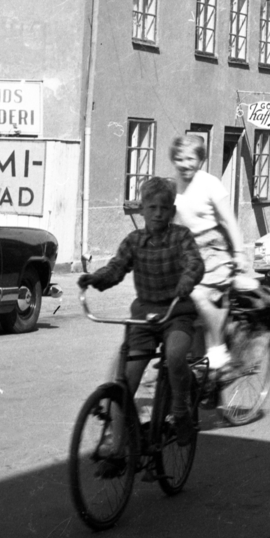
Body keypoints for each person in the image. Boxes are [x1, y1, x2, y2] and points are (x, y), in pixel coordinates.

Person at [79, 176, 203, 449]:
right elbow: (116, 268)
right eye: (152, 208)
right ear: (142, 209)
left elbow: (194, 263)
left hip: (176, 313)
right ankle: (116, 445)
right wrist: (95, 279)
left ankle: (180, 410)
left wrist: (187, 280)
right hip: (144, 317)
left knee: (174, 355)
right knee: (126, 379)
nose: (158, 213)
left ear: (171, 211)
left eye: (164, 208)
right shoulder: (133, 240)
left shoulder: (181, 237)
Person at [169, 134, 258, 371]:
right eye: (179, 159)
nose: (185, 164)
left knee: (197, 295)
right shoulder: (172, 185)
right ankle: (195, 364)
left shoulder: (209, 184)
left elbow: (228, 221)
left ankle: (218, 347)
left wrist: (239, 253)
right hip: (186, 252)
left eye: (190, 158)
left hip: (214, 250)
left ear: (200, 160)